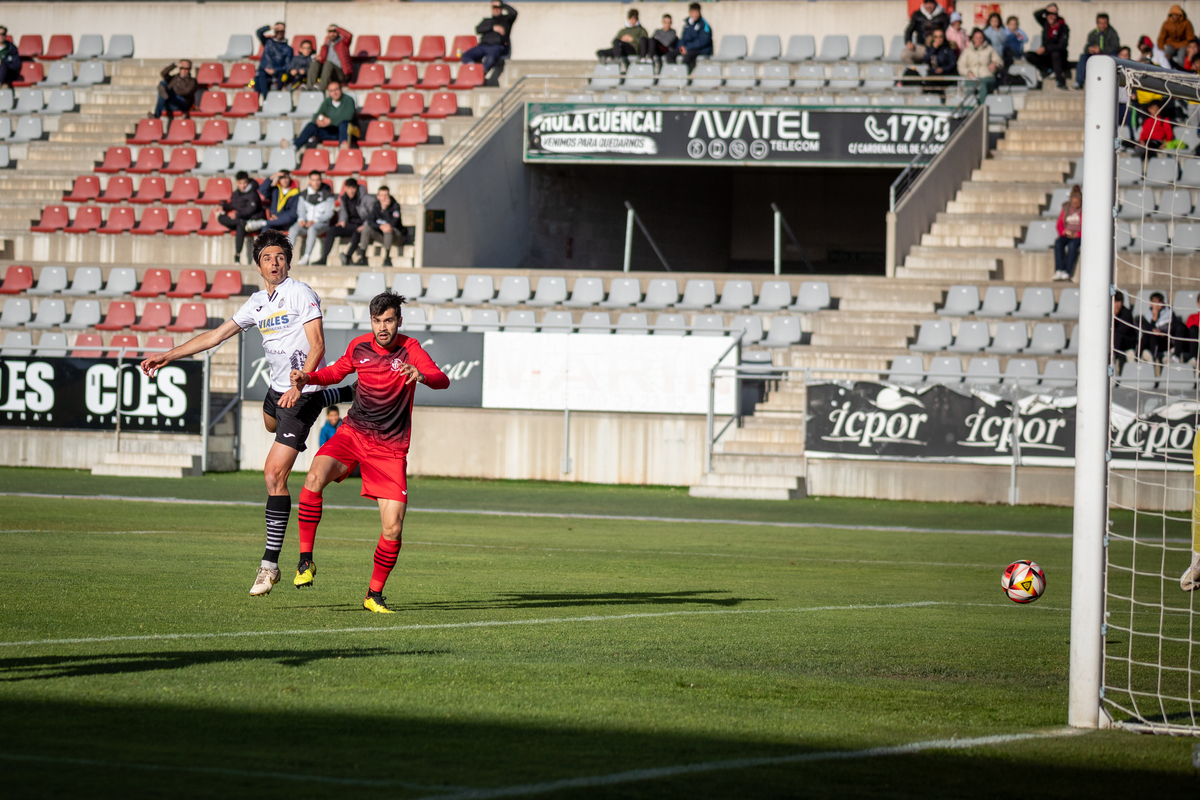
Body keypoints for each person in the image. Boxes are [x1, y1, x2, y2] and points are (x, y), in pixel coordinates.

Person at [139, 229, 353, 597]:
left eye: (280, 257)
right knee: (269, 419)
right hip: (276, 392)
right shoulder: (256, 303)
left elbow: (318, 344)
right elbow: (214, 336)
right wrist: (167, 354)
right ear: (259, 265)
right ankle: (334, 394)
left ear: (288, 261)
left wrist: (302, 385)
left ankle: (269, 566)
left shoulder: (300, 293)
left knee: (273, 475)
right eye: (268, 257)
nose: (274, 262)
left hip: (300, 392)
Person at [288, 291, 450, 612]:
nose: (382, 327)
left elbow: (441, 379)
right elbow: (335, 372)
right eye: (377, 321)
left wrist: (422, 375)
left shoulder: (411, 349)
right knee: (313, 478)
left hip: (389, 449)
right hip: (353, 434)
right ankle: (305, 562)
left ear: (398, 321)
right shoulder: (359, 346)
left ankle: (372, 595)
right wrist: (309, 377)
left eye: (388, 320)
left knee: (393, 528)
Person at [314, 177, 370, 266]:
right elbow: (343, 212)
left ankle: (348, 256)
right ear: (345, 189)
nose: (351, 191)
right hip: (350, 225)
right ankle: (323, 258)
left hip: (361, 226)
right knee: (332, 230)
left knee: (357, 233)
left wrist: (365, 225)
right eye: (348, 188)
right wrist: (342, 220)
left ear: (357, 188)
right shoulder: (344, 198)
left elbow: (372, 213)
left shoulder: (365, 198)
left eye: (353, 188)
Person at [289, 81, 357, 151]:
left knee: (344, 123)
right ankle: (295, 146)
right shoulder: (327, 102)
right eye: (331, 91)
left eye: (336, 89)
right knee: (311, 126)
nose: (334, 92)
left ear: (341, 89)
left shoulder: (348, 100)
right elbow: (317, 115)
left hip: (346, 132)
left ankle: (343, 146)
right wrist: (319, 121)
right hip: (330, 132)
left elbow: (348, 116)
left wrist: (331, 121)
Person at [461, 2, 518, 83]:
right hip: (483, 46)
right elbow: (478, 29)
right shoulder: (487, 21)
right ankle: (474, 72)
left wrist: (502, 4)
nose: (496, 9)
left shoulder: (506, 20)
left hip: (496, 46)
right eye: (494, 7)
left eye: (498, 7)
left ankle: (480, 74)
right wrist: (492, 27)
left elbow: (514, 13)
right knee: (466, 56)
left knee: (490, 59)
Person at [219, 171, 266, 264]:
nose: (243, 185)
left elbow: (250, 210)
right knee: (220, 217)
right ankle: (238, 222)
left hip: (252, 220)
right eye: (240, 183)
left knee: (240, 225)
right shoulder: (236, 193)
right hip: (241, 220)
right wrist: (222, 206)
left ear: (248, 181)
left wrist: (237, 215)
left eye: (244, 183)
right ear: (237, 183)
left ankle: (237, 255)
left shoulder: (253, 193)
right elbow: (232, 204)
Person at [290, 171, 336, 265]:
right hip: (305, 223)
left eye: (318, 180)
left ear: (321, 180)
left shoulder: (327, 195)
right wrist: (301, 219)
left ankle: (306, 257)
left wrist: (315, 221)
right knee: (293, 229)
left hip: (321, 224)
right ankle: (286, 256)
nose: (316, 182)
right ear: (309, 181)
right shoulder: (304, 195)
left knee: (312, 229)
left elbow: (329, 214)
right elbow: (301, 210)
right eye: (313, 180)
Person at [359, 185, 407, 267]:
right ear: (378, 197)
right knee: (366, 229)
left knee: (388, 229)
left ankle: (387, 258)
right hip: (381, 234)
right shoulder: (376, 206)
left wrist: (385, 209)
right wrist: (380, 226)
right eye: (382, 195)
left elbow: (394, 223)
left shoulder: (395, 205)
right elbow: (370, 221)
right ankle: (363, 257)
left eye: (386, 195)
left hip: (396, 236)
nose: (384, 198)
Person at [1027, 5, 1070, 89]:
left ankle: (1060, 81)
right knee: (1028, 55)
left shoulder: (1063, 27)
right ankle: (1047, 71)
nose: (1051, 16)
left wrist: (1046, 48)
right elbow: (1036, 15)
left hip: (1059, 57)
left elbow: (1061, 46)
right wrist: (1046, 9)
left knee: (1055, 54)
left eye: (1053, 14)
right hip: (1046, 56)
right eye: (1049, 14)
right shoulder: (1046, 25)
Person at [1075, 14, 1121, 89]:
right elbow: (1087, 47)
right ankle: (1079, 82)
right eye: (1100, 23)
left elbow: (1115, 47)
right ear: (1097, 23)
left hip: (1108, 56)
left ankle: (1114, 81)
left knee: (1115, 57)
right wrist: (1090, 49)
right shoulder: (1093, 34)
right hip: (1095, 56)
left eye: (1104, 23)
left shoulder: (1113, 33)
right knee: (1083, 57)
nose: (1102, 25)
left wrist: (1101, 50)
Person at [959, 28, 1002, 104]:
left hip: (987, 76)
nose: (979, 40)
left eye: (981, 37)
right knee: (970, 87)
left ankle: (982, 107)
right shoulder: (967, 51)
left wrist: (995, 65)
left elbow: (1000, 62)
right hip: (972, 78)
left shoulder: (990, 49)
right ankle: (969, 108)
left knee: (982, 85)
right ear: (973, 38)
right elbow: (960, 65)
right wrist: (968, 72)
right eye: (976, 38)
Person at [1139, 291, 1184, 363]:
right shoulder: (1147, 316)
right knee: (1148, 336)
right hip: (1153, 341)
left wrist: (1163, 333)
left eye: (1159, 302)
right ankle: (1139, 357)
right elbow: (1147, 332)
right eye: (1154, 302)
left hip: (1166, 340)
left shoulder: (1170, 313)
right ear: (1150, 304)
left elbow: (1175, 329)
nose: (1157, 305)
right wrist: (1154, 318)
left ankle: (1153, 357)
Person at [901, 0, 949, 66]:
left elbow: (947, 33)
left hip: (938, 48)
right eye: (927, 3)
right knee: (905, 54)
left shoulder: (943, 16)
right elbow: (909, 31)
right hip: (921, 47)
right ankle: (914, 73)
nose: (929, 6)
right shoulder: (917, 15)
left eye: (931, 3)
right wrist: (908, 41)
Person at [308, 24, 353, 90]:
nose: (332, 34)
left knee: (328, 63)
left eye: (334, 31)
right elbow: (322, 60)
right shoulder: (325, 47)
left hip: (341, 74)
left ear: (338, 32)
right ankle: (309, 88)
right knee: (314, 64)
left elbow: (349, 36)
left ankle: (321, 87)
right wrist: (317, 59)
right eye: (330, 32)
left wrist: (338, 28)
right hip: (329, 74)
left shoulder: (343, 43)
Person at [255, 22, 294, 97]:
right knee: (259, 76)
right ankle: (264, 97)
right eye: (277, 30)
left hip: (277, 71)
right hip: (264, 69)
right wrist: (270, 27)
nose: (279, 33)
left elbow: (287, 65)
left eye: (281, 31)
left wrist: (274, 70)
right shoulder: (268, 42)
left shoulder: (288, 49)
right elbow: (258, 32)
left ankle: (268, 98)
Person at [1053, 185, 1082, 281]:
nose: (1075, 205)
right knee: (1058, 243)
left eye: (1077, 203)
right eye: (1073, 203)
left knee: (1072, 246)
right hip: (1067, 234)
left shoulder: (1084, 210)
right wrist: (1063, 232)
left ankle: (1067, 271)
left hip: (1078, 236)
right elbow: (1059, 224)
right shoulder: (1066, 208)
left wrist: (1077, 234)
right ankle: (1059, 269)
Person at [261, 170, 299, 234]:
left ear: (290, 179)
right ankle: (264, 244)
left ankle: (263, 222)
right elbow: (262, 190)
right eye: (282, 178)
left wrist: (278, 218)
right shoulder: (275, 190)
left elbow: (292, 214)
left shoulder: (295, 193)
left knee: (289, 218)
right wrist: (272, 177)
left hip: (287, 223)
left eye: (286, 177)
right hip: (274, 222)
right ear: (279, 179)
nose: (284, 180)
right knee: (266, 229)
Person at [678, 3, 713, 72]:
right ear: (690, 13)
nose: (695, 15)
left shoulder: (704, 24)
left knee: (688, 56)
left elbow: (703, 41)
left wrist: (687, 48)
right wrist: (681, 48)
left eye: (697, 12)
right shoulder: (687, 24)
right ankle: (673, 72)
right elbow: (682, 38)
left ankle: (685, 76)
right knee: (670, 55)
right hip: (688, 48)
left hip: (701, 50)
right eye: (693, 12)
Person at [923, 27, 957, 92]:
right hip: (933, 75)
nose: (938, 39)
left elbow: (952, 63)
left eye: (940, 36)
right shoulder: (930, 48)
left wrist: (943, 69)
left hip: (945, 75)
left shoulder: (948, 49)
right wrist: (933, 49)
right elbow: (926, 60)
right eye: (936, 37)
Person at [1112, 290, 1138, 372]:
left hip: (1126, 342)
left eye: (1119, 301)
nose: (1117, 304)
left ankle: (1116, 356)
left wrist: (1114, 317)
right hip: (1115, 343)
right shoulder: (1107, 313)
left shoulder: (1126, 313)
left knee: (1117, 335)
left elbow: (1123, 330)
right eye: (1115, 301)